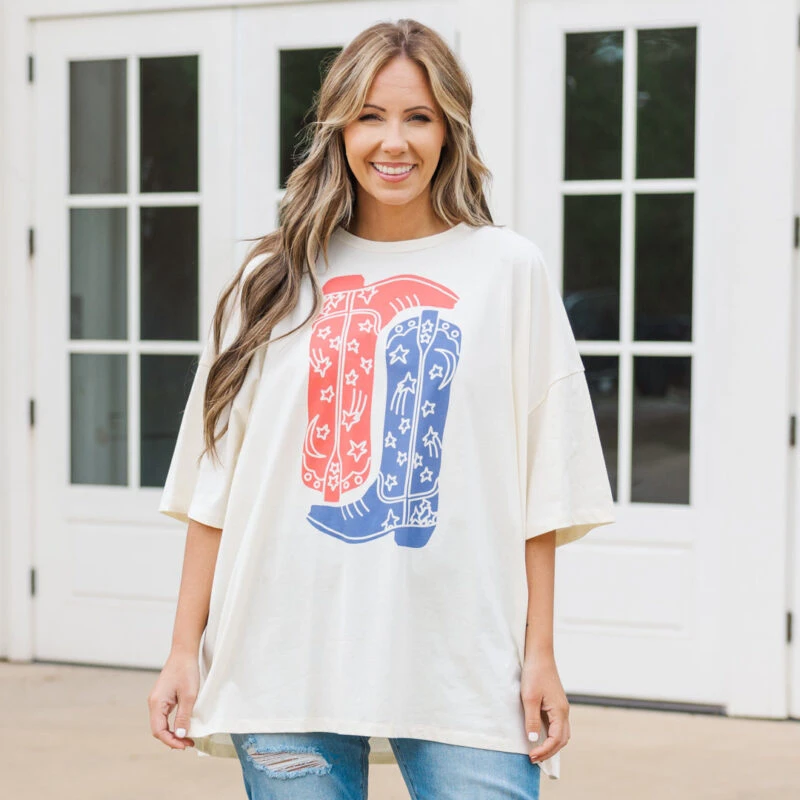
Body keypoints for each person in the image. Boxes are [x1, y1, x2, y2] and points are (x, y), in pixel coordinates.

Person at [148, 17, 615, 800]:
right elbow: (215, 485)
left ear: (450, 131)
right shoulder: (273, 280)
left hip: (464, 661)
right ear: (338, 128)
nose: (393, 142)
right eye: (370, 116)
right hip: (283, 655)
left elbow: (546, 484)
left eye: (418, 117)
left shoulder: (508, 272)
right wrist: (179, 651)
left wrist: (540, 653)